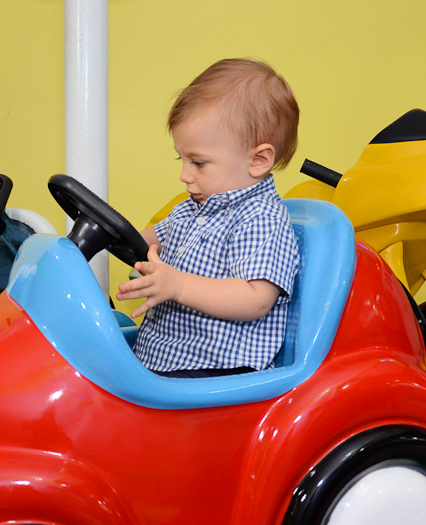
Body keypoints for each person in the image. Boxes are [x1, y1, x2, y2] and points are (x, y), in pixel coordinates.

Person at [115, 58, 300, 378]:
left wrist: (177, 285)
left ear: (258, 160)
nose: (184, 175)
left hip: (216, 370)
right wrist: (104, 233)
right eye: (181, 159)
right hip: (166, 359)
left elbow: (255, 299)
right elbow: (138, 239)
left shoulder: (261, 218)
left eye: (198, 163)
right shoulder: (192, 208)